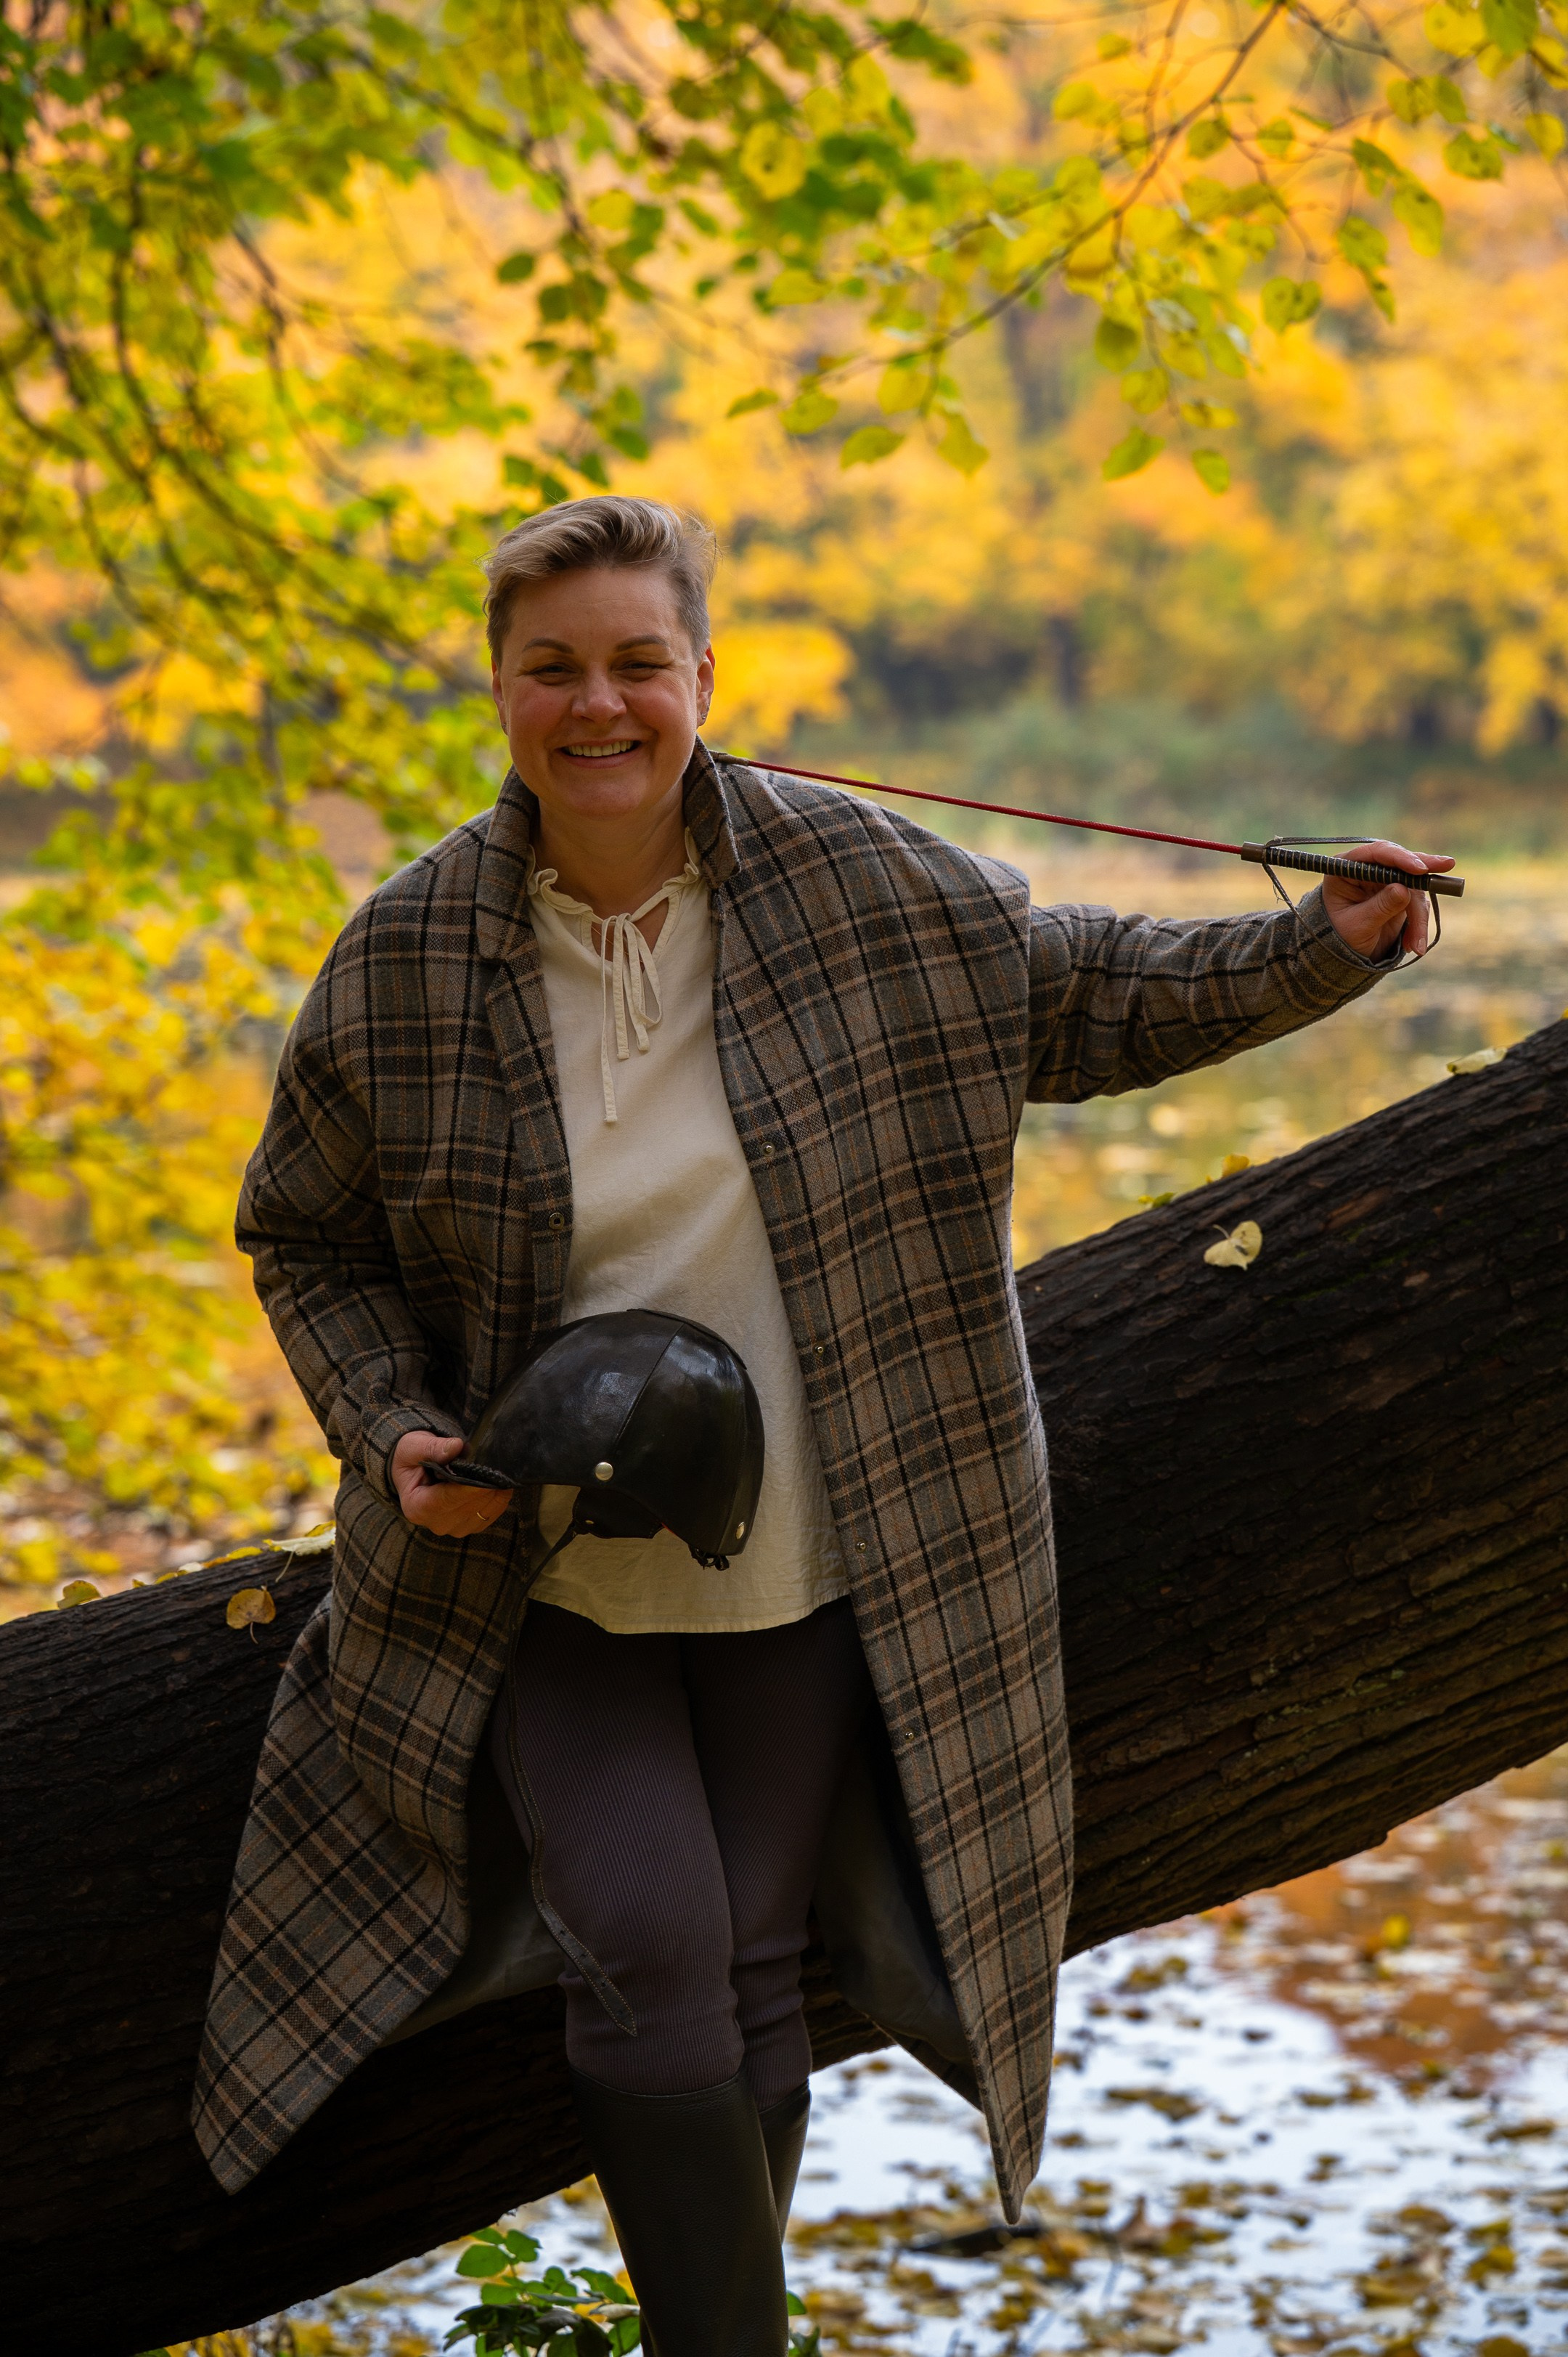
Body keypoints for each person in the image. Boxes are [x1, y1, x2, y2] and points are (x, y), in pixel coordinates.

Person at [192, 495, 1449, 2354]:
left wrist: (1324, 945)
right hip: (524, 1581)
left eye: (637, 662)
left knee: (760, 1974)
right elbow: (307, 1238)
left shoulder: (856, 887)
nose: (597, 704)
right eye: (555, 668)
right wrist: (392, 1433)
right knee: (660, 1946)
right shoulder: (402, 961)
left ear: (705, 678)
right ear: (500, 691)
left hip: (818, 1560)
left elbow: (1094, 992)